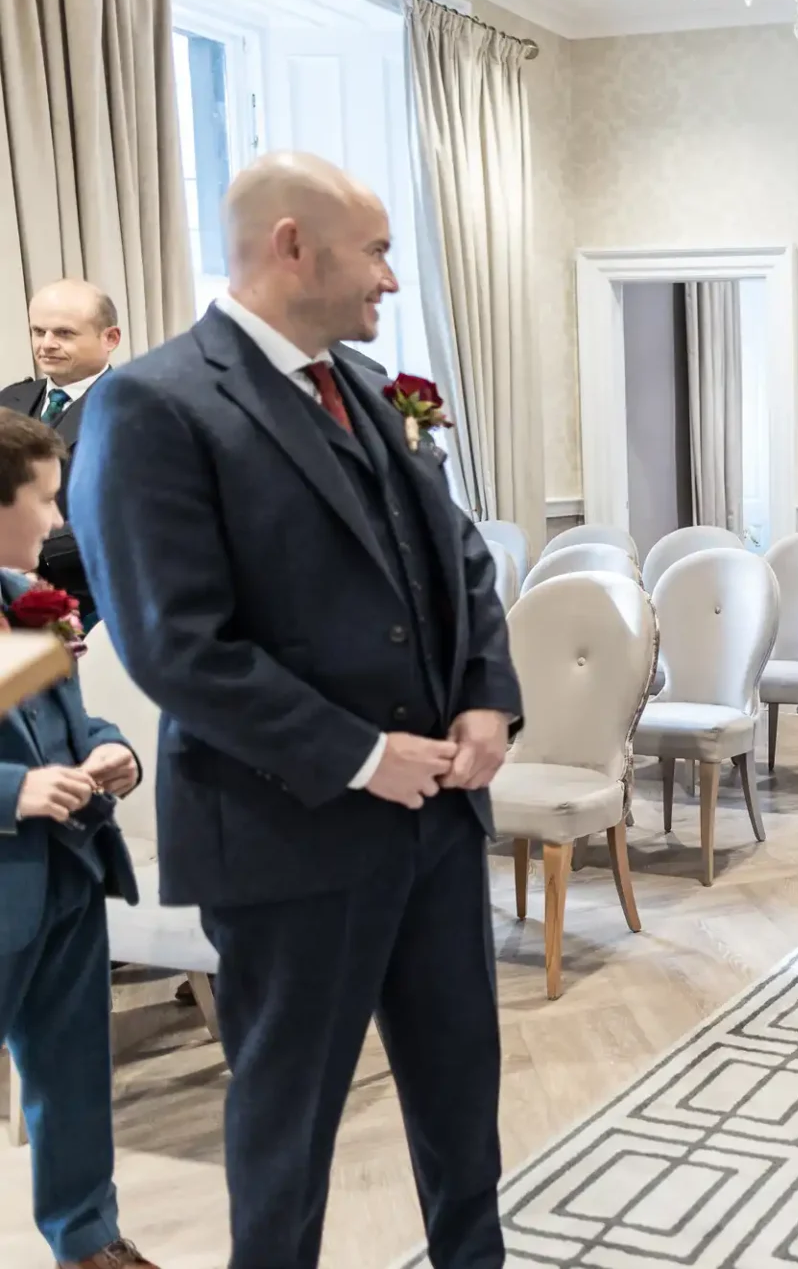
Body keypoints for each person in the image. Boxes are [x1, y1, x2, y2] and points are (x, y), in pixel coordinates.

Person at [68, 151, 520, 1269]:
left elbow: (460, 562)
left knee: (464, 1095)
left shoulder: (373, 389)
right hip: (289, 834)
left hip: (439, 824)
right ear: (291, 245)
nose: (391, 282)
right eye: (375, 252)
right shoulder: (153, 403)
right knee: (290, 1122)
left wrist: (488, 702)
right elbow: (176, 643)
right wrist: (362, 755)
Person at [0, 411, 157, 1269]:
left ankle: (89, 1240)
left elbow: (60, 720)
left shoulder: (23, 602)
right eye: (47, 501)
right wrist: (12, 789)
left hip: (68, 868)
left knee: (72, 1076)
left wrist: (112, 748)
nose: (59, 524)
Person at [0, 280, 121, 628]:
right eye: (39, 331)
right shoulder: (12, 398)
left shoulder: (138, 410)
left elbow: (124, 514)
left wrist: (29, 555)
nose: (46, 344)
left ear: (110, 338)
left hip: (90, 597)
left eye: (64, 333)